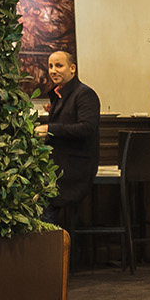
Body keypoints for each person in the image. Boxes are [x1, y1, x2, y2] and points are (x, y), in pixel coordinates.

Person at [34, 50, 100, 226]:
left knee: (42, 201)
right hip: (61, 166)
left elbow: (87, 128)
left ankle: (47, 246)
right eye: (50, 66)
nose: (53, 70)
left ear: (72, 68)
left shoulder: (84, 94)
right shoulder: (60, 95)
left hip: (75, 169)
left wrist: (50, 129)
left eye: (58, 65)